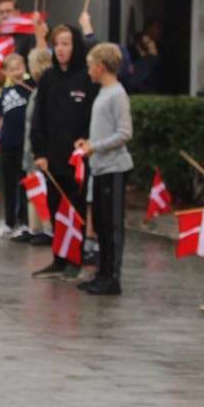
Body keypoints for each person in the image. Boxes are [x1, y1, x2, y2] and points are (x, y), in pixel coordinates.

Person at [27, 25, 96, 279]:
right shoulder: (48, 79)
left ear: (75, 46)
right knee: (55, 206)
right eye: (57, 44)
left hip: (77, 158)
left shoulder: (87, 78)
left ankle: (76, 258)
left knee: (75, 207)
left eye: (66, 43)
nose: (61, 49)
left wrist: (88, 143)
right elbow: (39, 119)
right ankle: (59, 256)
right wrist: (39, 152)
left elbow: (92, 116)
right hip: (52, 157)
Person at [75, 43, 133, 296]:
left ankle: (113, 276)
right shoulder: (103, 92)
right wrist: (88, 144)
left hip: (114, 168)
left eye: (90, 67)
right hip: (99, 167)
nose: (88, 72)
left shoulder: (117, 94)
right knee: (99, 221)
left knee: (111, 224)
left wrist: (95, 146)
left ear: (100, 67)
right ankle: (102, 272)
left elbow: (124, 133)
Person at [0, 53, 33, 241]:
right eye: (11, 69)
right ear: (5, 72)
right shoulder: (5, 93)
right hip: (7, 143)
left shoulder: (30, 89)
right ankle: (8, 221)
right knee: (8, 184)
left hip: (23, 144)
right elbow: (2, 118)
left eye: (19, 68)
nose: (16, 72)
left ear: (25, 68)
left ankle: (24, 222)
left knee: (23, 184)